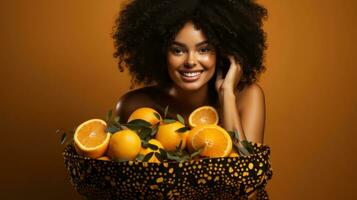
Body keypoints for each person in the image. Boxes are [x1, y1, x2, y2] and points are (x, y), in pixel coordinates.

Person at [112, 0, 268, 198]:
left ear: (222, 52)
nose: (191, 62)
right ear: (161, 52)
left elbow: (248, 191)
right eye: (178, 50)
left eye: (204, 49)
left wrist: (227, 95)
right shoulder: (134, 106)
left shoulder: (247, 97)